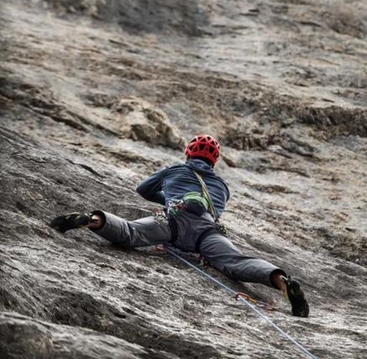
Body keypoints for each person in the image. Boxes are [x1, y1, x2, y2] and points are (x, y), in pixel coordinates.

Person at [50, 134, 309, 317]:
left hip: (172, 220)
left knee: (132, 232)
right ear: (214, 161)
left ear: (188, 152)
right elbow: (215, 211)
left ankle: (93, 220)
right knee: (235, 261)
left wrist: (170, 201)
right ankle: (282, 281)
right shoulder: (221, 186)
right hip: (206, 231)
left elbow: (143, 189)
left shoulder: (175, 169)